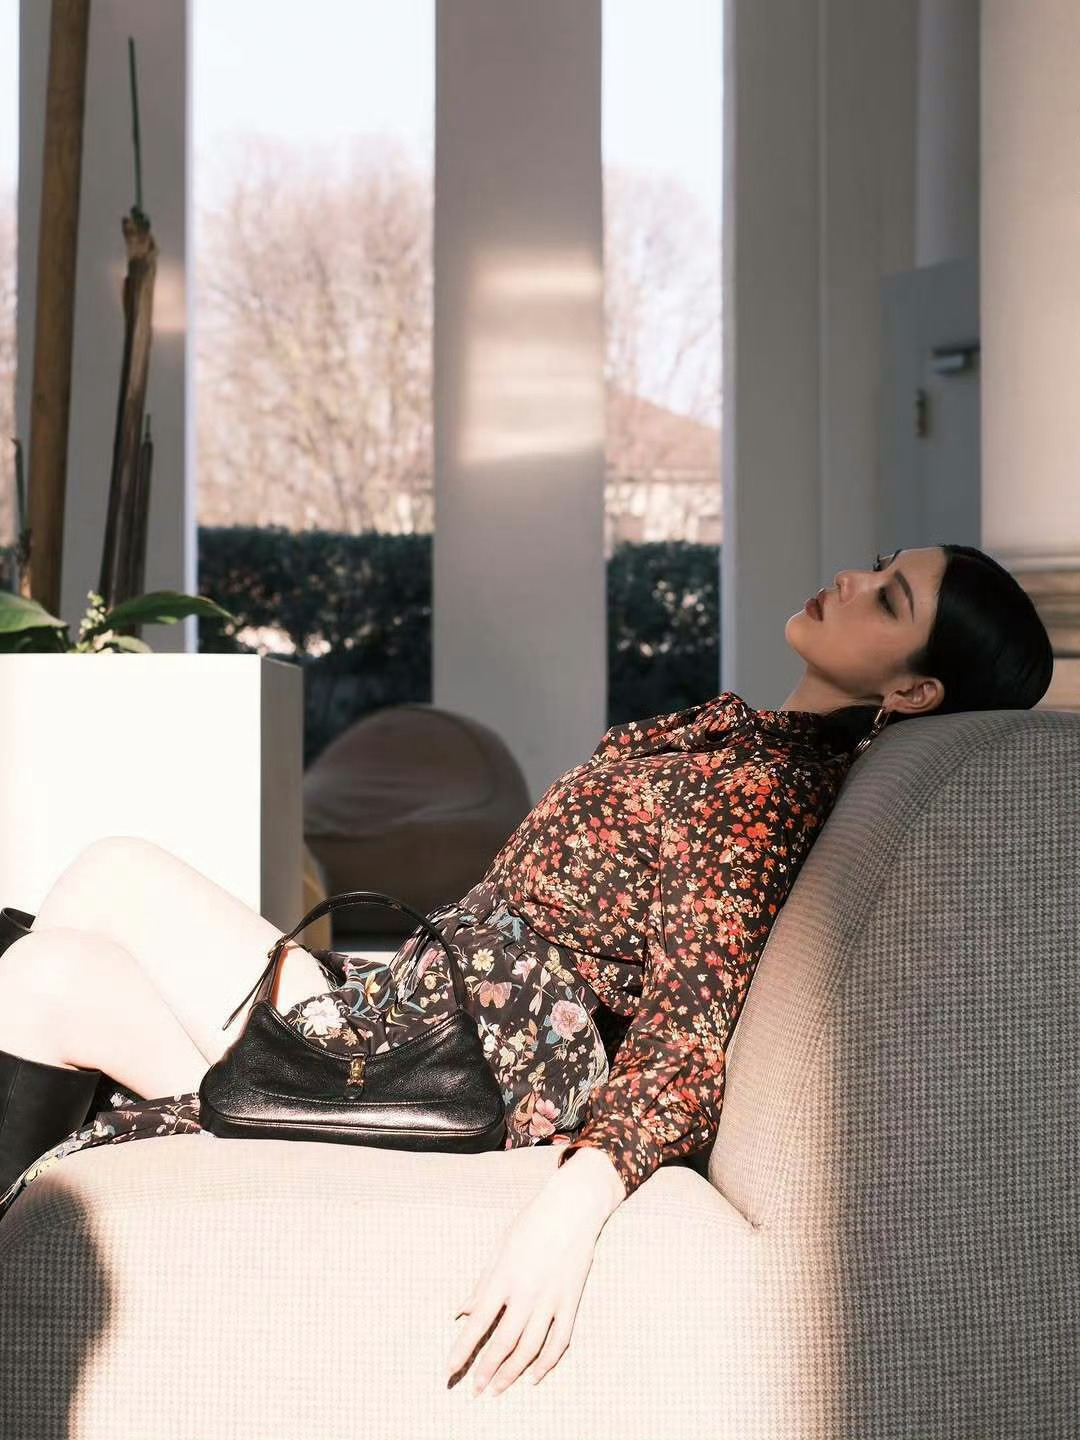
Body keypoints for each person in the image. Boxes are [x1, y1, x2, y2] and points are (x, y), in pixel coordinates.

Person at [0, 544, 1054, 1398]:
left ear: (913, 687)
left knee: (46, 981)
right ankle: (203, 1120)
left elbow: (690, 1028)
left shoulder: (762, 794)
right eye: (881, 564)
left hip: (443, 1064)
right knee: (107, 877)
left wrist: (569, 1212)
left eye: (890, 596)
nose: (854, 579)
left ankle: (194, 1139)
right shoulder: (747, 748)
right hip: (416, 1005)